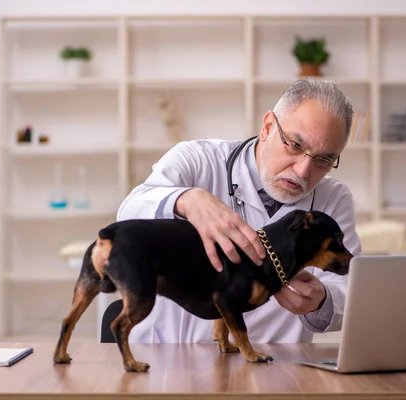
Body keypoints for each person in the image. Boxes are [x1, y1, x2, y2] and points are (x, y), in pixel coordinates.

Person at [116, 77, 362, 344]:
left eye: (324, 159)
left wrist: (322, 300)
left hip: (277, 370)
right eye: (295, 145)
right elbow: (127, 216)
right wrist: (185, 199)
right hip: (171, 358)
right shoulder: (198, 161)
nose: (303, 170)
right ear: (268, 127)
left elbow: (351, 288)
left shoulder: (333, 199)